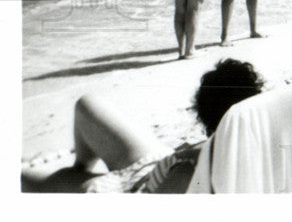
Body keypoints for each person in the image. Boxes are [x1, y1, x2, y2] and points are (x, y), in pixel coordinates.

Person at [22, 59, 265, 193]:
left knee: (25, 179)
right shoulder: (250, 143)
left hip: (126, 191)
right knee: (87, 105)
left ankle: (74, 178)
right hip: (153, 167)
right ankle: (80, 169)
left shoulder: (191, 174)